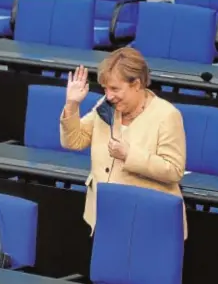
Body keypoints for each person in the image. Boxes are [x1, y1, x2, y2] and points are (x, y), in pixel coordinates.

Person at [60, 47, 187, 240]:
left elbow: (174, 169)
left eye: (115, 89)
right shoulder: (106, 106)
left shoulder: (166, 115)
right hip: (105, 216)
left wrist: (129, 155)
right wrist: (72, 104)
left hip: (148, 221)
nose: (109, 95)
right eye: (105, 89)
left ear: (136, 84)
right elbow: (74, 141)